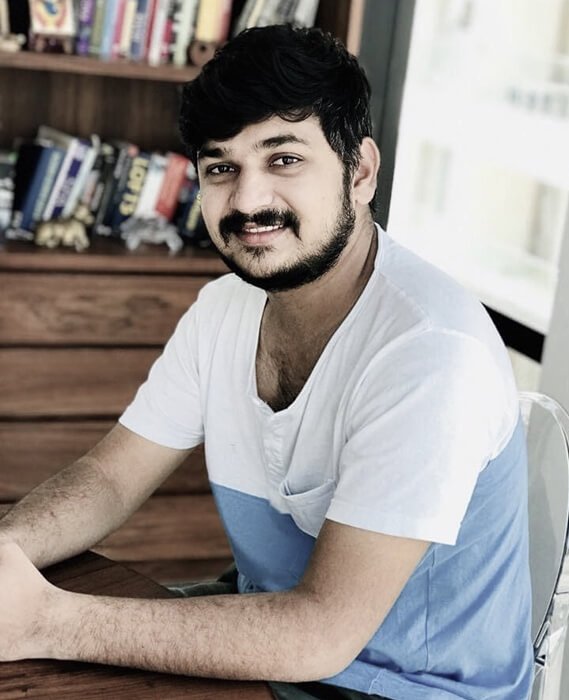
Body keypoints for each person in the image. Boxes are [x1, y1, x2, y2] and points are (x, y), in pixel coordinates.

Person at [0, 24, 533, 700]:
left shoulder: (432, 353)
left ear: (360, 172)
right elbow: (109, 478)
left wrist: (45, 622)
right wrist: (7, 551)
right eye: (222, 168)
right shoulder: (224, 309)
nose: (248, 202)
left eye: (283, 159)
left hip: (402, 689)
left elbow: (321, 633)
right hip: (272, 653)